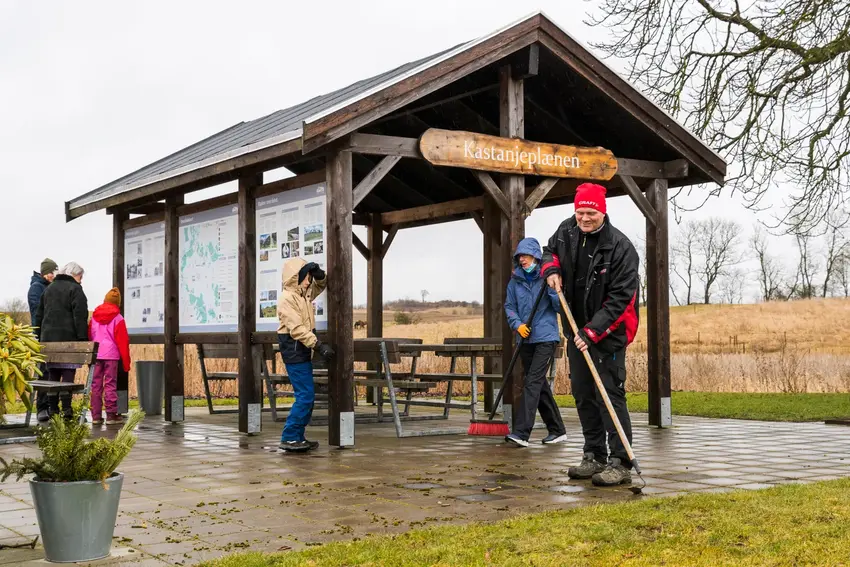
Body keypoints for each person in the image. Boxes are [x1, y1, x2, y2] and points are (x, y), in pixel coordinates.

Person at [542, 183, 640, 487]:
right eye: (580, 212)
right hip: (576, 329)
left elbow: (620, 300)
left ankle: (620, 461)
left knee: (608, 395)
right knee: (583, 395)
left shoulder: (621, 248)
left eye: (591, 213)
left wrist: (592, 331)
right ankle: (593, 454)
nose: (584, 218)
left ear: (602, 211)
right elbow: (549, 252)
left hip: (608, 333)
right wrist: (551, 270)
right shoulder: (566, 230)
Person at [503, 237, 568, 448]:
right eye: (520, 256)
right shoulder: (515, 281)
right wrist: (517, 324)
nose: (522, 259)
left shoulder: (546, 278)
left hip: (546, 337)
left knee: (532, 382)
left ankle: (521, 432)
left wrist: (553, 289)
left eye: (526, 256)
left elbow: (559, 307)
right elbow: (509, 306)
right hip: (525, 337)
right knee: (538, 384)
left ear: (536, 257)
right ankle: (557, 430)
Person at [277, 258, 334, 452]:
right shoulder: (287, 299)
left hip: (302, 350)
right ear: (297, 277)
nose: (309, 281)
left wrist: (320, 274)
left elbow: (320, 285)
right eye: (307, 277)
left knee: (306, 395)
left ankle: (297, 437)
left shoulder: (303, 295)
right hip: (294, 349)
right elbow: (297, 329)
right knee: (305, 396)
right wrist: (318, 345)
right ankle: (290, 436)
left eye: (310, 277)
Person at [33, 262, 89, 421]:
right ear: (73, 274)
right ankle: (66, 410)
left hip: (48, 343)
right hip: (68, 342)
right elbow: (80, 316)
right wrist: (82, 340)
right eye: (80, 276)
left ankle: (52, 409)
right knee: (67, 374)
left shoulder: (48, 289)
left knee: (53, 375)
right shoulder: (75, 289)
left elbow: (39, 315)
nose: (81, 280)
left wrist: (38, 336)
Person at [88, 288, 131, 426]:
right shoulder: (118, 318)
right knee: (110, 384)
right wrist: (126, 362)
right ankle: (111, 415)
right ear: (117, 303)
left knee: (96, 385)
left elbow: (90, 335)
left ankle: (95, 416)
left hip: (96, 354)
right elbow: (123, 342)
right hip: (111, 356)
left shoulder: (94, 316)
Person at [27, 258, 58, 422]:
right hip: (42, 335)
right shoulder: (36, 288)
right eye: (53, 272)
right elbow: (38, 311)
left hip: (51, 334)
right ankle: (42, 407)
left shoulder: (47, 286)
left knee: (51, 371)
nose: (55, 275)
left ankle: (52, 406)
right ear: (47, 273)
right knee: (44, 372)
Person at [27, 258, 58, 324]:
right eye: (51, 273)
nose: (54, 276)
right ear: (44, 273)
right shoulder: (36, 287)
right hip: (41, 330)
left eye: (55, 273)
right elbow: (37, 312)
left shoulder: (52, 286)